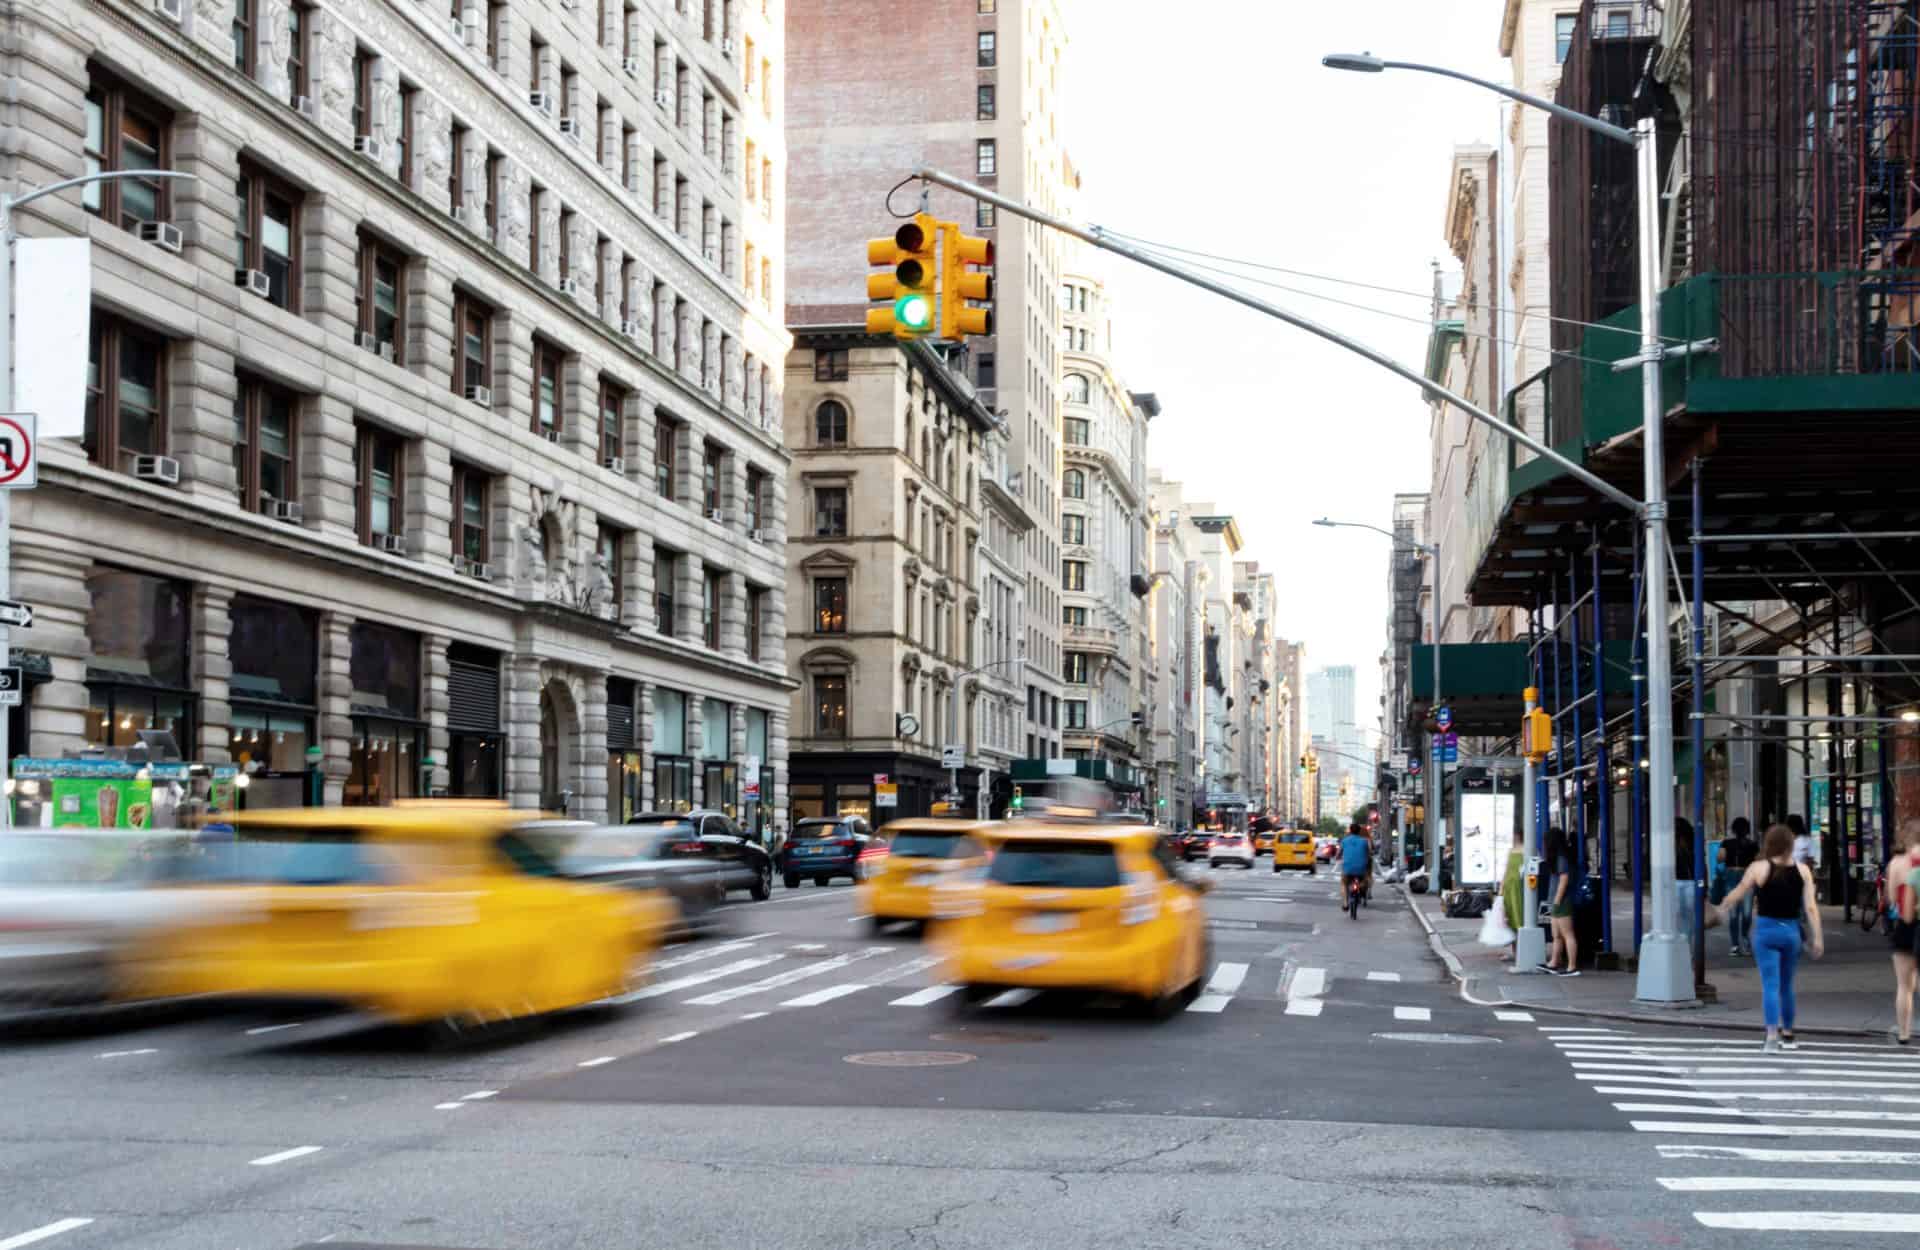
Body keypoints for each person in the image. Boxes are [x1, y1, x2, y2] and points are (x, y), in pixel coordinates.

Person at [1713, 823, 1825, 1051]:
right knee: (1787, 986)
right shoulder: (1803, 870)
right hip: (1791, 932)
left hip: (1766, 931)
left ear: (1769, 844)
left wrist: (1723, 906)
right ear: (1790, 845)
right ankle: (1789, 1034)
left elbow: (1740, 891)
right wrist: (1817, 938)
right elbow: (1811, 908)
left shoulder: (1759, 868)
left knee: (1770, 986)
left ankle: (1772, 1035)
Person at [1891, 818, 1920, 1044]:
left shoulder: (1897, 864)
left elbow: (1892, 899)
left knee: (1904, 985)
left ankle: (1903, 1033)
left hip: (1905, 924)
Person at [1541, 825, 1579, 976]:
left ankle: (1572, 966)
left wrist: (1556, 900)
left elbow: (1564, 880)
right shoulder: (1559, 857)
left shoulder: (1560, 858)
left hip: (1561, 901)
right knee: (1557, 935)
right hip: (1557, 901)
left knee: (1567, 934)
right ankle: (1554, 962)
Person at [1720, 817, 1758, 956]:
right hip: (1746, 875)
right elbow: (1758, 860)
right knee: (1746, 913)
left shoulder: (1727, 842)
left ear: (1733, 829)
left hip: (1733, 875)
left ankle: (1736, 945)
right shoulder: (1752, 844)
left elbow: (1720, 858)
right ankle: (1743, 940)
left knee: (1734, 913)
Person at [1500, 825, 1526, 958]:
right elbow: (1506, 871)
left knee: (1518, 918)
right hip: (1510, 889)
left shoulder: (1526, 849)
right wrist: (1501, 889)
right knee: (1510, 919)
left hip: (1519, 889)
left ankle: (1520, 952)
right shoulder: (1512, 850)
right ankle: (1515, 952)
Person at [1340, 820, 1373, 912]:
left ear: (1350, 831)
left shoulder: (1344, 840)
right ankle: (1360, 887)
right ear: (1359, 832)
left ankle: (1345, 904)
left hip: (1347, 869)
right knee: (1365, 880)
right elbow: (1370, 853)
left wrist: (1338, 857)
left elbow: (1338, 854)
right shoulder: (1365, 841)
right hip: (1361, 869)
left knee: (1344, 883)